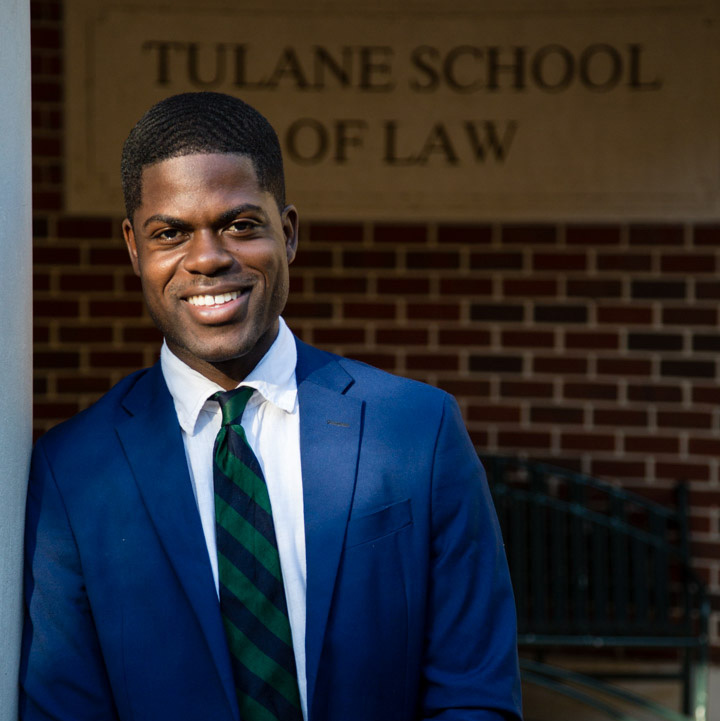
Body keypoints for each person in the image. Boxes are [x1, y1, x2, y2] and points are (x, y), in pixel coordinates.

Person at [20, 92, 522, 721]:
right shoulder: (70, 472)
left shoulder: (418, 431)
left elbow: (475, 696)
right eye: (170, 233)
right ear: (133, 249)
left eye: (239, 225)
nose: (207, 259)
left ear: (287, 233)